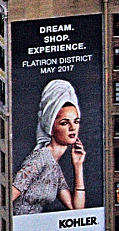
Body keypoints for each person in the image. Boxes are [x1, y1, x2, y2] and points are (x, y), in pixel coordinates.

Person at [11, 79, 89, 217]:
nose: (73, 128)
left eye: (76, 121)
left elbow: (77, 209)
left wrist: (78, 166)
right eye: (65, 123)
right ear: (50, 128)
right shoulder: (40, 159)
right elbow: (6, 199)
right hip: (17, 228)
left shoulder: (54, 166)